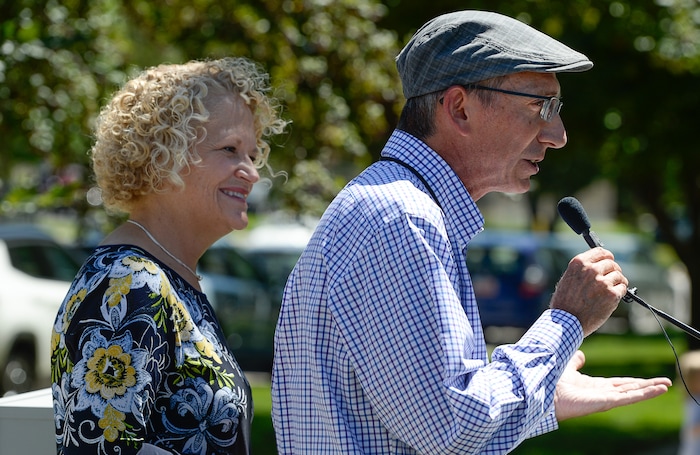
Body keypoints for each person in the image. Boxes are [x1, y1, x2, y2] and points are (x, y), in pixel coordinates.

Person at [271, 10, 671, 454]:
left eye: (558, 109)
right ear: (460, 107)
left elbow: (433, 419)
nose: (558, 134)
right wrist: (566, 321)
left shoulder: (397, 208)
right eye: (541, 105)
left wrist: (546, 398)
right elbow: (454, 430)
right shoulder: (399, 217)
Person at [50, 57, 288, 455]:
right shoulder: (127, 284)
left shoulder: (164, 278)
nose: (251, 172)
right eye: (230, 149)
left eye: (251, 153)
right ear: (162, 156)